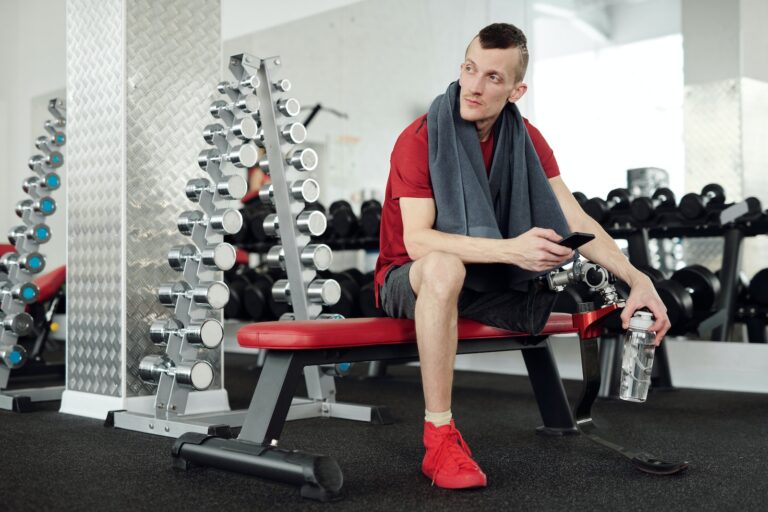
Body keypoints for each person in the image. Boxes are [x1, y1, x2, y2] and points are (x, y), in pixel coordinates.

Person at [373, 22, 670, 490]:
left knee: (555, 274)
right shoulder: (421, 137)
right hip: (407, 278)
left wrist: (639, 279)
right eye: (470, 69)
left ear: (516, 90)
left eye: (493, 77)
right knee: (444, 266)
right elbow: (418, 242)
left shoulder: (526, 139)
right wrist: (512, 249)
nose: (474, 85)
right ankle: (439, 436)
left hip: (484, 280)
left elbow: (577, 221)